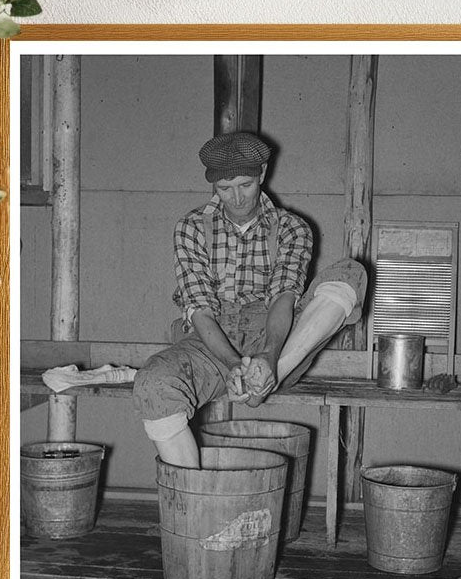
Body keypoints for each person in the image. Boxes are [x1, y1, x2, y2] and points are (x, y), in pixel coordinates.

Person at [132, 131, 366, 467]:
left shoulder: (292, 228)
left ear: (263, 174)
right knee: (152, 384)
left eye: (245, 184)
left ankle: (268, 380)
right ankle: (196, 500)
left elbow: (283, 299)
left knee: (350, 273)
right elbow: (200, 310)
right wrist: (232, 367)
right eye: (224, 189)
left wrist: (270, 359)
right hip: (209, 344)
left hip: (277, 337)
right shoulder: (191, 228)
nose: (237, 198)